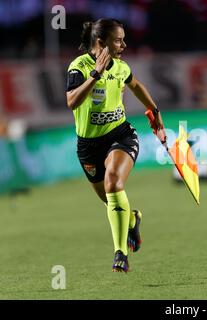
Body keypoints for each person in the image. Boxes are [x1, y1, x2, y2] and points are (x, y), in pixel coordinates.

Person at [66, 19, 166, 273]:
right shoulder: (79, 66)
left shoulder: (121, 68)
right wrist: (95, 76)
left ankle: (120, 253)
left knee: (113, 182)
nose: (123, 44)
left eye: (123, 39)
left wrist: (154, 112)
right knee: (109, 199)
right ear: (101, 42)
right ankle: (131, 218)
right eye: (118, 40)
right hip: (88, 146)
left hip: (120, 135)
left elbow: (137, 86)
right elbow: (72, 102)